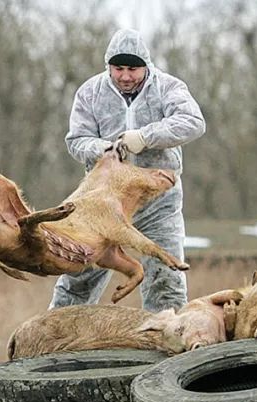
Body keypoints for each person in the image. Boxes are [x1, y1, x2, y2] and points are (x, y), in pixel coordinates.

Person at [54, 28, 205, 312]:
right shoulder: (90, 92)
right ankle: (54, 339)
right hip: (101, 202)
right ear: (108, 66)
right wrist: (103, 150)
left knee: (166, 280)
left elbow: (193, 122)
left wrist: (145, 137)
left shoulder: (169, 88)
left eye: (133, 69)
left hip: (157, 203)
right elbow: (76, 140)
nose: (125, 76)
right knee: (78, 276)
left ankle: (165, 345)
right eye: (118, 68)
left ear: (146, 66)